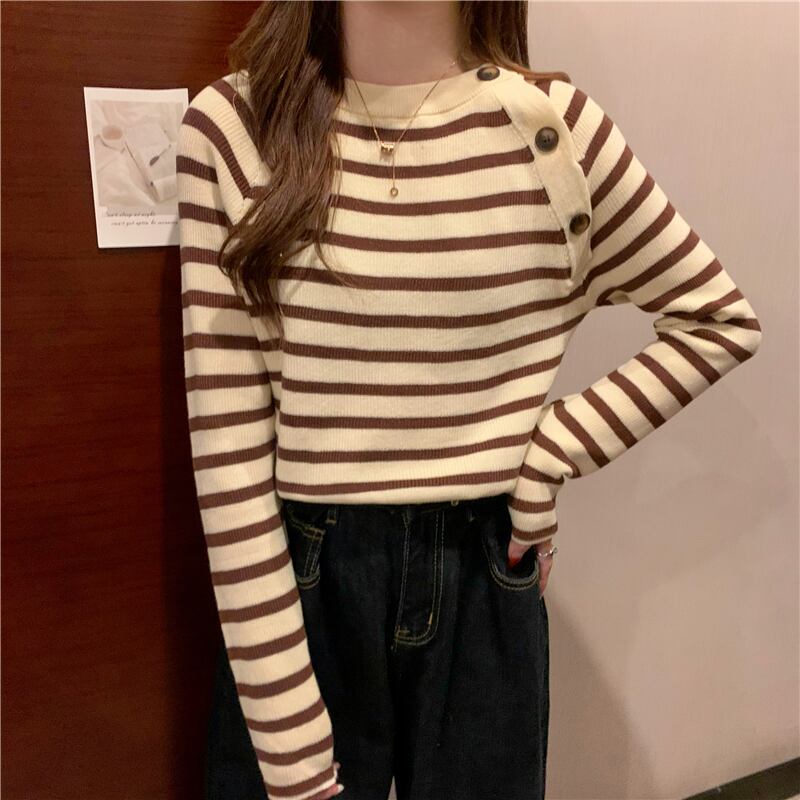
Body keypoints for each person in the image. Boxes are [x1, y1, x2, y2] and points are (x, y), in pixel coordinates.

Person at [176, 2, 763, 799]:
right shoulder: (234, 128)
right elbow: (229, 457)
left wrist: (551, 453)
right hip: (301, 583)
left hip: (486, 573)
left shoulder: (555, 133)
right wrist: (294, 763)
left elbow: (716, 320)